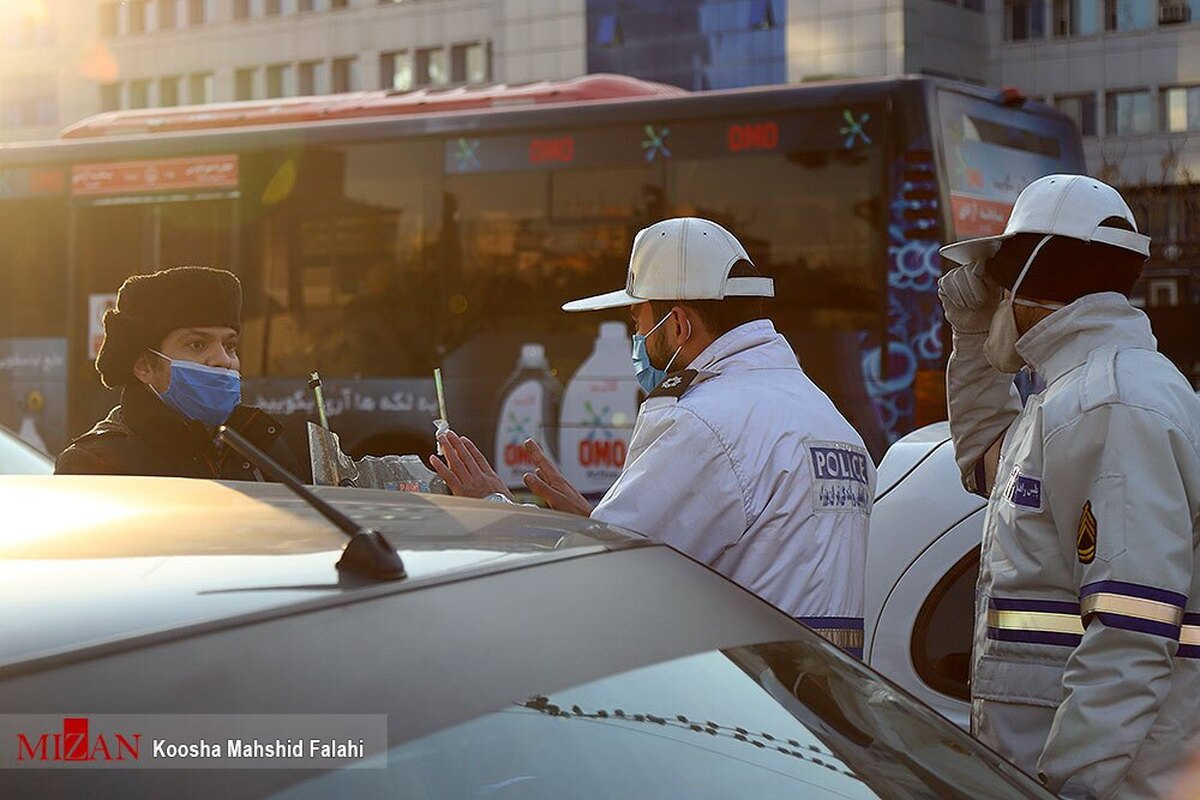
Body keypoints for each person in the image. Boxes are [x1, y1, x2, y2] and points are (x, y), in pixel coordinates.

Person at [430, 217, 875, 654]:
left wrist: (491, 509)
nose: (638, 338)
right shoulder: (831, 422)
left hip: (742, 703)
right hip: (822, 707)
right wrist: (595, 524)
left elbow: (609, 582)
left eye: (639, 322)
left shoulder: (703, 422)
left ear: (679, 325)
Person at [938, 174, 1200, 799]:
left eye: (1001, 287)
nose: (996, 301)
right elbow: (981, 460)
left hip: (1112, 785)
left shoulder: (1109, 403)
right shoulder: (1070, 397)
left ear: (1031, 279)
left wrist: (1072, 788)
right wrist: (972, 339)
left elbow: (1130, 631)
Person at [56, 266, 302, 480]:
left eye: (230, 346)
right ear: (144, 367)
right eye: (197, 344)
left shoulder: (262, 447)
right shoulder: (96, 463)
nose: (223, 360)